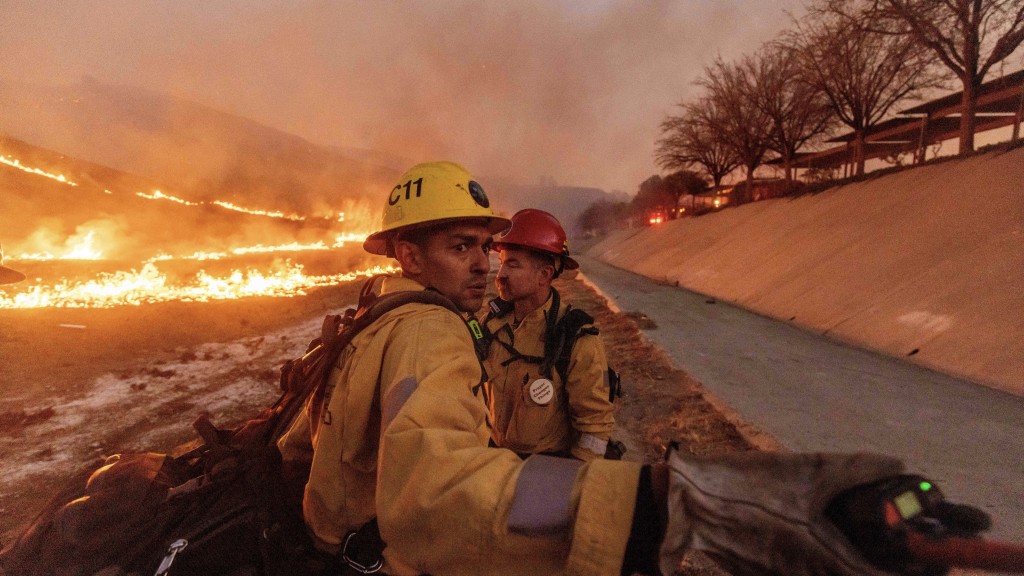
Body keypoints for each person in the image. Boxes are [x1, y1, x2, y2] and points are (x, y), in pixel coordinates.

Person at [277, 160, 978, 576]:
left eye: (490, 249)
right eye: (463, 246)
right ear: (407, 256)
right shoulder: (430, 333)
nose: (486, 264)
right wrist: (656, 506)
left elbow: (304, 449)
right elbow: (435, 494)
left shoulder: (373, 321)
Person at [482, 208, 616, 461]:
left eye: (513, 264)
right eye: (501, 264)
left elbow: (595, 428)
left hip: (544, 469)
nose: (500, 275)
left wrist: (567, 482)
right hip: (493, 464)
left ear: (543, 275)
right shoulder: (492, 323)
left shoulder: (577, 338)